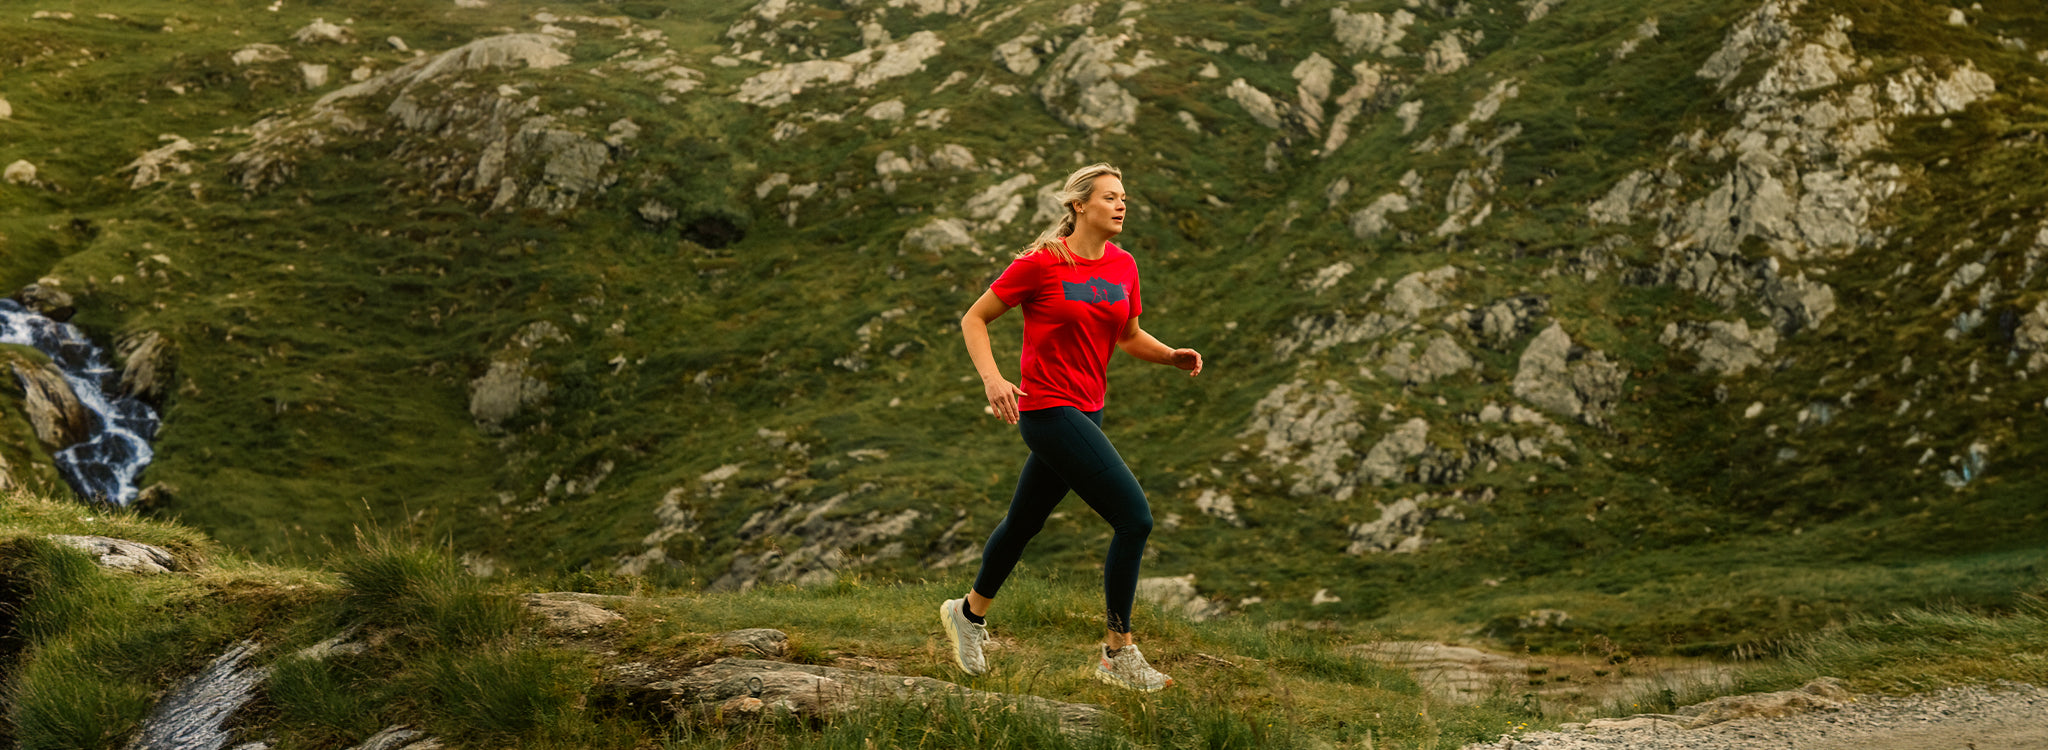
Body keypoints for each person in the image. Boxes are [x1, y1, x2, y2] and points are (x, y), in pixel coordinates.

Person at [938, 162, 1203, 692]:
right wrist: (993, 381)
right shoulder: (1041, 264)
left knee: (1023, 522)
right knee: (1135, 519)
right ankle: (1117, 653)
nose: (1122, 205)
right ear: (1080, 205)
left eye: (1124, 197)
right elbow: (974, 317)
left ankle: (967, 615)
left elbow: (1127, 335)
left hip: (1088, 410)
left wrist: (1170, 355)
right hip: (1047, 410)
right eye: (1110, 197)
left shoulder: (1123, 266)